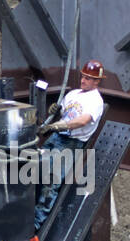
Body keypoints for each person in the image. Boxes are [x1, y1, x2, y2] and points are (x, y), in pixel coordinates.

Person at [33, 61, 105, 230]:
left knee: (52, 180)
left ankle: (35, 224)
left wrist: (60, 126)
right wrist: (53, 114)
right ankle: (29, 211)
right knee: (36, 168)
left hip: (72, 143)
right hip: (57, 138)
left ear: (97, 82)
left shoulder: (96, 101)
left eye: (88, 78)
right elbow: (63, 114)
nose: (83, 80)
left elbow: (83, 120)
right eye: (83, 76)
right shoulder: (72, 94)